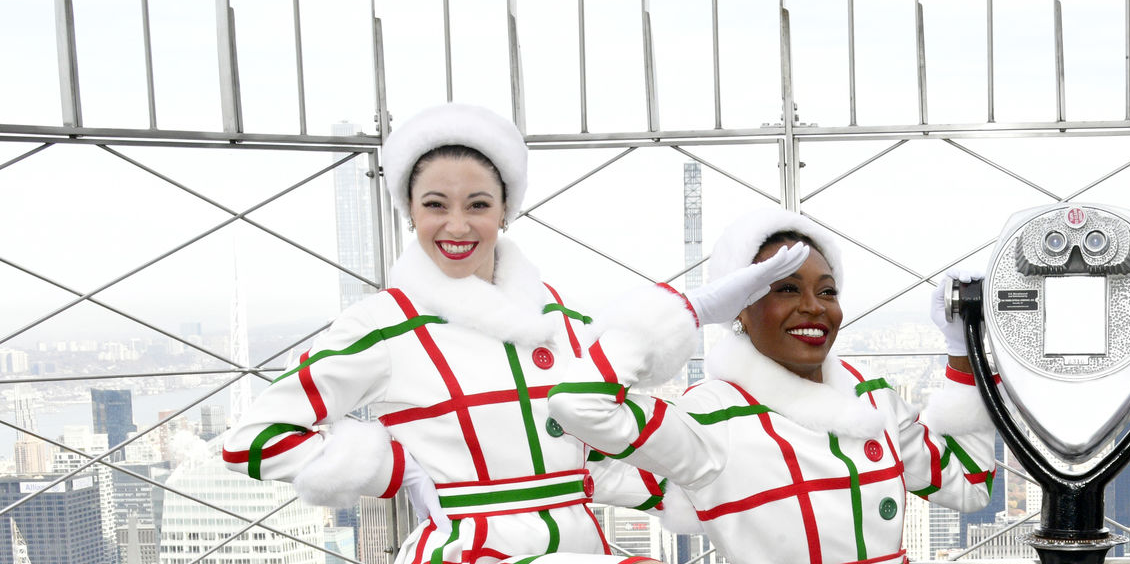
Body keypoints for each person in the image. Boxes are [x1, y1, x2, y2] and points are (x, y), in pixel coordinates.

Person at [219, 103, 669, 563]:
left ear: (505, 211)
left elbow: (594, 459)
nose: (457, 226)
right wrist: (393, 469)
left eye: (478, 205)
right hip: (470, 552)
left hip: (581, 547)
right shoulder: (384, 324)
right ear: (410, 212)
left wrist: (698, 485)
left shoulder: (559, 320)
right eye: (435, 205)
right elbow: (253, 439)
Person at [548, 208, 999, 564]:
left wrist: (963, 346)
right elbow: (581, 405)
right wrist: (692, 310)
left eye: (827, 291)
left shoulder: (871, 397)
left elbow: (970, 484)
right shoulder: (712, 415)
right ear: (738, 307)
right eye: (783, 289)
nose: (813, 308)